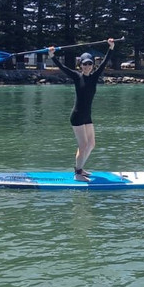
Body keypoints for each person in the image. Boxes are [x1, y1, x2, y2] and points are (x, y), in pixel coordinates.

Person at [49, 38, 116, 180]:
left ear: (93, 65)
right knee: (84, 145)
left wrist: (111, 47)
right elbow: (63, 68)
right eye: (85, 64)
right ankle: (78, 174)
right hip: (77, 116)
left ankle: (79, 168)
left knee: (91, 144)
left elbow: (104, 63)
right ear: (81, 65)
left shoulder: (95, 76)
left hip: (87, 116)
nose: (87, 66)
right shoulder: (76, 76)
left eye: (90, 63)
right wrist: (52, 56)